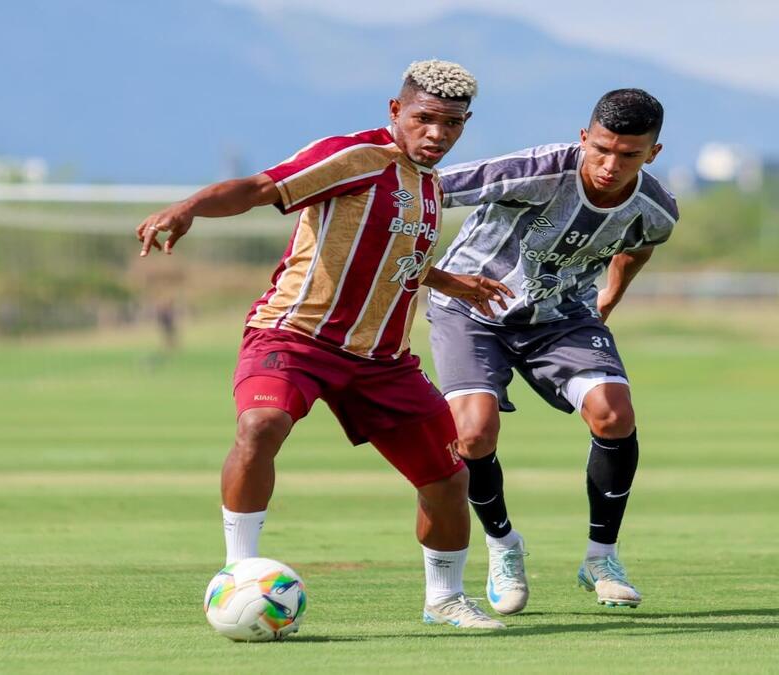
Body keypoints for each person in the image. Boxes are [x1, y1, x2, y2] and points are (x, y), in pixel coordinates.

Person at [136, 60, 514, 630]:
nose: (437, 134)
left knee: (449, 478)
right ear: (396, 111)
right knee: (261, 425)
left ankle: (445, 600)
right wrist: (190, 206)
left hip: (382, 361)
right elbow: (261, 187)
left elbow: (391, 253)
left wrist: (444, 279)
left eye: (452, 124)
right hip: (296, 336)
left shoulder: (431, 187)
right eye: (425, 119)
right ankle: (240, 572)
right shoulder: (353, 156)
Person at [426, 89, 678, 615]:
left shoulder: (656, 209)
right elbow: (428, 191)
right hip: (472, 310)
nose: (611, 165)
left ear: (652, 154)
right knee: (472, 432)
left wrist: (609, 295)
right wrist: (443, 278)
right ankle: (503, 546)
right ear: (584, 137)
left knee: (613, 415)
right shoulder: (533, 171)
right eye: (602, 149)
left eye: (629, 155)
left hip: (560, 316)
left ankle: (601, 558)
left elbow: (640, 244)